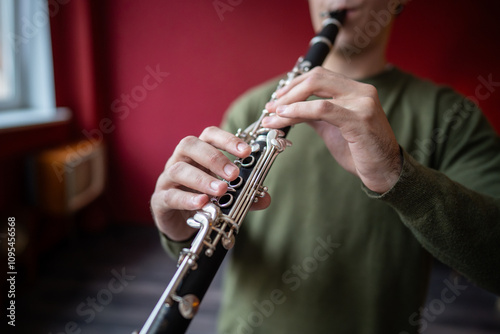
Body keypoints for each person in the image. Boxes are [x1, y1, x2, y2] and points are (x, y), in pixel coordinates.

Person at [150, 0, 500, 333]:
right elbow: (208, 240)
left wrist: (397, 175)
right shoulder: (252, 108)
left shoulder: (452, 117)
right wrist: (181, 225)